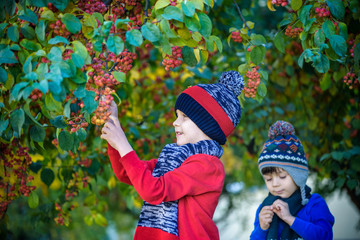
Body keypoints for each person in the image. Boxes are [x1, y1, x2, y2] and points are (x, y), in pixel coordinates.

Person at [101, 71, 245, 240]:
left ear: (208, 125)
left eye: (184, 117)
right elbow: (127, 173)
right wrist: (113, 127)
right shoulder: (173, 158)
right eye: (177, 116)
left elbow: (153, 190)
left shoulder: (208, 166)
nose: (175, 122)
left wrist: (123, 143)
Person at [250, 120, 335, 240]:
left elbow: (325, 236)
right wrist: (262, 228)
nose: (275, 184)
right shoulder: (264, 208)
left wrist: (290, 219)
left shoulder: (314, 204)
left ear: (298, 175)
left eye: (282, 177)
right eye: (268, 179)